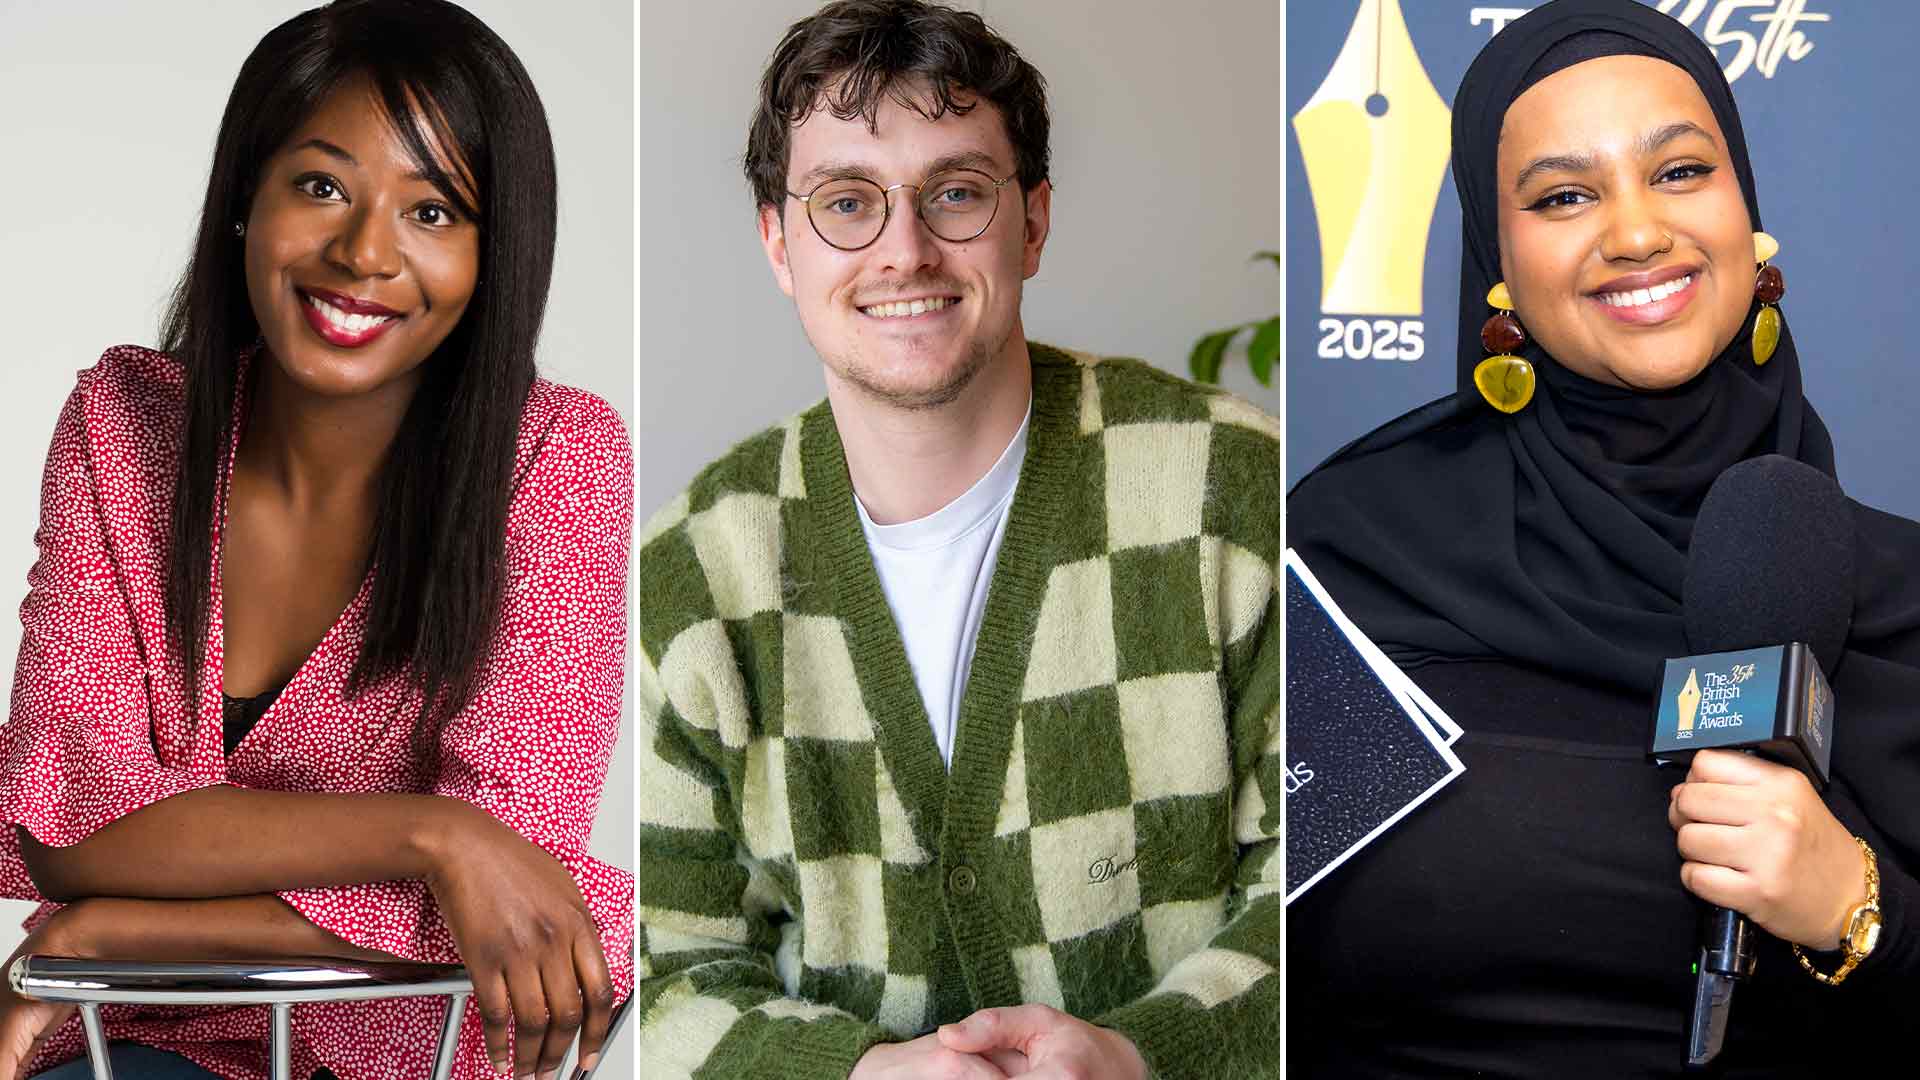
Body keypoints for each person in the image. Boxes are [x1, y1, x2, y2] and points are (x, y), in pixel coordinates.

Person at [634, 2, 1278, 1078]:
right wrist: (863, 1075)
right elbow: (668, 975)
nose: (906, 251)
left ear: (1031, 221)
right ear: (776, 241)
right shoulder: (694, 571)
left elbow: (1332, 874)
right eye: (848, 202)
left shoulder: (1233, 488)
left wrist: (1138, 1057)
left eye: (957, 194)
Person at [0, 2, 632, 1078]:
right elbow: (67, 825)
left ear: (493, 254)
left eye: (434, 212)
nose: (365, 252)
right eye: (323, 185)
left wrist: (109, 931)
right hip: (133, 1045)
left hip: (401, 1048)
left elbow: (527, 894)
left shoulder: (556, 459)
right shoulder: (124, 425)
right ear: (247, 196)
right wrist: (435, 839)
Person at [1287, 1, 1920, 1074]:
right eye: (1565, 194)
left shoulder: (1892, 587)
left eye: (1680, 172)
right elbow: (1264, 959)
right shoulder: (1353, 556)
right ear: (1499, 261)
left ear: (1747, 214)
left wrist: (1857, 908)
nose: (1634, 231)